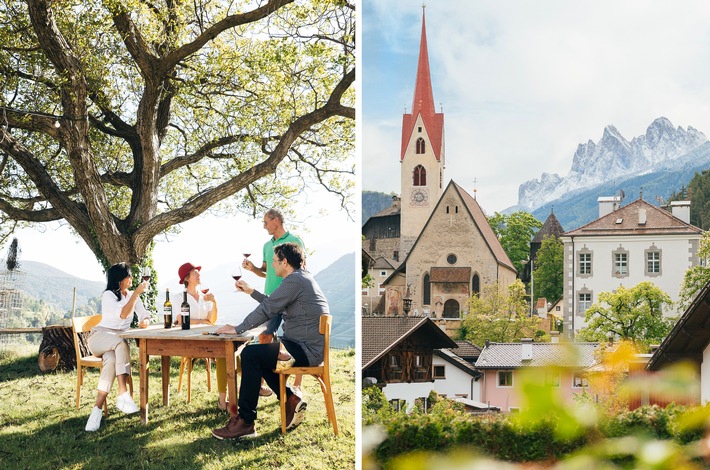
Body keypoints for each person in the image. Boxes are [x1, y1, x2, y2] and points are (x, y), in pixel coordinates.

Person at [211, 242, 328, 440]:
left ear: (285, 262)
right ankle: (290, 398)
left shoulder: (294, 281)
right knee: (261, 354)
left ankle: (246, 422)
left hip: (305, 350)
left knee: (250, 354)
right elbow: (273, 303)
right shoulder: (300, 279)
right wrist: (251, 292)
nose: (272, 266)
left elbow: (268, 309)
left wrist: (238, 328)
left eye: (275, 261)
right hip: (303, 347)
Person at [242, 208, 305, 397]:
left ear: (275, 221)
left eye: (265, 222)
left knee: (295, 338)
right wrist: (252, 269)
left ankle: (297, 383)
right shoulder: (266, 246)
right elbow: (265, 272)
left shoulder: (295, 241)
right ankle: (262, 384)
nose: (264, 226)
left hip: (291, 297)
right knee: (264, 336)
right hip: (271, 297)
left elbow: (302, 268)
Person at [85, 262, 152, 432]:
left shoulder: (131, 295)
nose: (131, 278)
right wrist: (136, 293)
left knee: (111, 361)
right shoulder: (108, 295)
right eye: (128, 275)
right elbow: (123, 313)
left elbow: (144, 313)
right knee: (121, 342)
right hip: (99, 338)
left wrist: (145, 320)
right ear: (119, 279)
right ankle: (123, 392)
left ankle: (96, 411)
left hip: (115, 346)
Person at [173, 262, 227, 410]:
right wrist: (203, 321)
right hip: (189, 341)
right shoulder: (179, 298)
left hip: (207, 338)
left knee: (227, 353)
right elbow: (180, 320)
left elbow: (212, 320)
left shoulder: (205, 296)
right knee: (225, 353)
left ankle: (223, 400)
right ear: (187, 278)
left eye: (198, 272)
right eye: (195, 272)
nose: (199, 274)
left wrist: (214, 303)